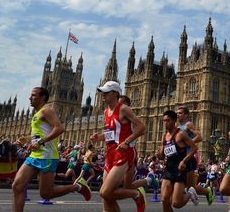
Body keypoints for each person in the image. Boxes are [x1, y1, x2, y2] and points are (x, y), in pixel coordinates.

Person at [11, 87, 91, 212]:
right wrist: (26, 139)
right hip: (34, 156)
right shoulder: (36, 114)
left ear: (42, 97)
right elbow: (40, 135)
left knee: (46, 194)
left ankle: (77, 187)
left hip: (47, 157)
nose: (29, 98)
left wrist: (40, 142)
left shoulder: (47, 111)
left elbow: (59, 128)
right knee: (17, 186)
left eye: (33, 95)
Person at [90, 81, 147, 212]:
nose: (102, 95)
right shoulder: (105, 112)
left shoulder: (123, 109)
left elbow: (142, 127)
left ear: (115, 93)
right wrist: (98, 137)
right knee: (107, 198)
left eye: (106, 92)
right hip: (110, 154)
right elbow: (111, 134)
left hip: (123, 153)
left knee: (104, 191)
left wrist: (127, 142)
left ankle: (136, 194)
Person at [158, 110, 199, 211]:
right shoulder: (164, 136)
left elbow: (194, 148)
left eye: (168, 120)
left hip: (180, 170)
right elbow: (162, 156)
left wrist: (184, 161)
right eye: (164, 121)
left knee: (176, 203)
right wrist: (159, 154)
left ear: (174, 120)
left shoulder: (181, 134)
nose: (165, 123)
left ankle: (190, 192)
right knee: (164, 199)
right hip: (169, 169)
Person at [176, 105, 214, 205]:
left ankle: (207, 191)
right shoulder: (178, 127)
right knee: (189, 186)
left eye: (180, 113)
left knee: (191, 187)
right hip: (180, 158)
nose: (178, 115)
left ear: (186, 115)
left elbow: (199, 137)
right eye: (177, 113)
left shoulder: (188, 125)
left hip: (189, 158)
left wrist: (188, 142)